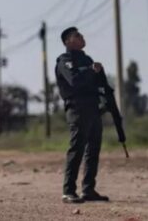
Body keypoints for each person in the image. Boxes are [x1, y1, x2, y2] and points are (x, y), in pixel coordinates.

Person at [55, 27, 110, 204]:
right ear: (68, 42)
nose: (82, 37)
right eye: (77, 36)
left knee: (93, 149)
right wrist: (90, 71)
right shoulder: (65, 61)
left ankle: (88, 189)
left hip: (93, 108)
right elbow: (74, 81)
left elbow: (97, 83)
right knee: (77, 149)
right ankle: (68, 191)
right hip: (78, 109)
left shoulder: (86, 60)